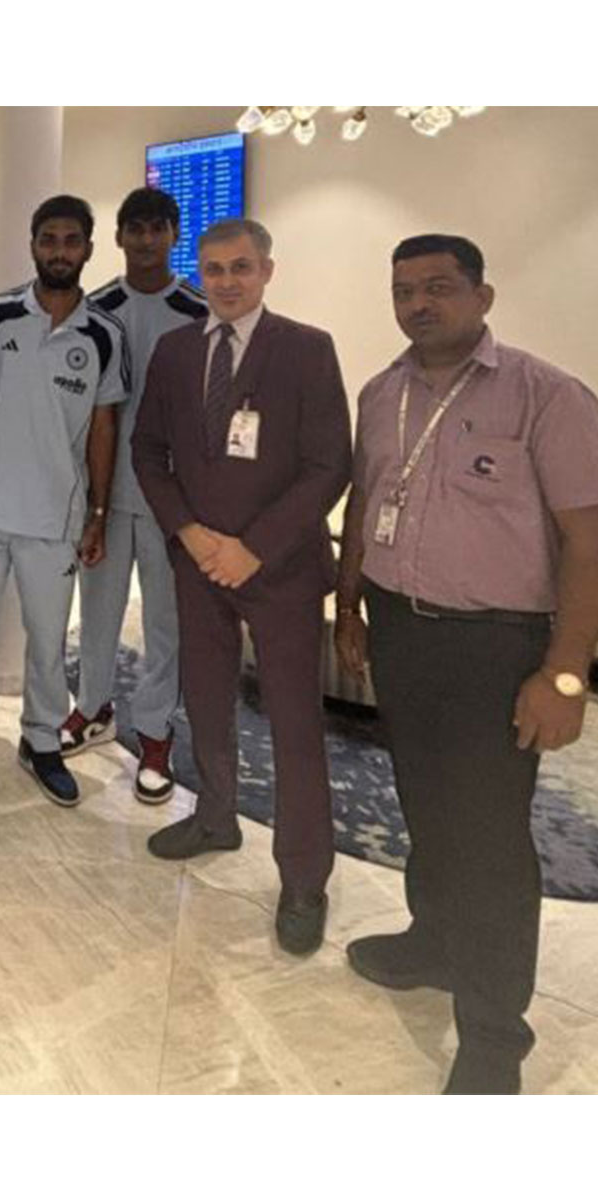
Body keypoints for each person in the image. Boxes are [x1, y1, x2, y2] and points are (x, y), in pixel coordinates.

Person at [333, 234, 598, 1093]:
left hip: (499, 645)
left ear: (482, 297)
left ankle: (493, 1033)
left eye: (439, 287)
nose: (419, 304)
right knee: (424, 802)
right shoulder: (381, 395)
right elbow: (367, 500)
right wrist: (349, 609)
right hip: (404, 631)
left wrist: (565, 673)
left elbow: (586, 543)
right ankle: (433, 941)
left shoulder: (545, 395)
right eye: (404, 289)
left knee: (488, 837)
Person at [131, 217, 351, 956]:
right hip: (199, 565)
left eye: (241, 268)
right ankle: (216, 815)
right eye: (216, 269)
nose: (227, 282)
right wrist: (190, 534)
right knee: (205, 698)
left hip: (278, 570)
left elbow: (330, 466)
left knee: (294, 725)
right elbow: (148, 450)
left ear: (267, 271)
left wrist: (253, 548)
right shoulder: (174, 350)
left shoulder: (306, 350)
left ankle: (303, 879)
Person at [0, 194, 126, 804]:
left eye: (70, 241)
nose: (59, 251)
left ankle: (42, 740)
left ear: (87, 249)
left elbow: (104, 428)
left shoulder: (104, 332)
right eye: (48, 239)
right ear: (32, 245)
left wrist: (99, 512)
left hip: (57, 517)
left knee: (47, 637)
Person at [73, 188, 207, 803]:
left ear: (174, 235)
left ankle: (155, 733)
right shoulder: (94, 309)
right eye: (136, 229)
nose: (147, 239)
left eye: (158, 228)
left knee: (164, 622)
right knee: (96, 612)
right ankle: (92, 706)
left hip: (171, 500)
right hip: (101, 493)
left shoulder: (200, 311)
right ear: (120, 236)